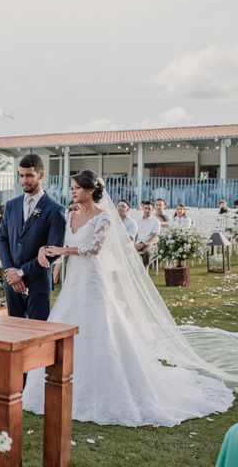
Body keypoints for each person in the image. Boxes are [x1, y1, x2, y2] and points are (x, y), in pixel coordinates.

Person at [24, 170, 235, 427]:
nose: (73, 192)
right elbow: (61, 243)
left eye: (76, 188)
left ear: (90, 190)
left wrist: (64, 250)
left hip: (92, 281)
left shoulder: (104, 219)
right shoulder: (70, 215)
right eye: (72, 188)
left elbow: (93, 249)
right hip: (73, 284)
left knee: (99, 330)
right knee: (63, 327)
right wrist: (48, 252)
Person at [0, 154, 65, 321]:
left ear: (41, 175)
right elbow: (2, 239)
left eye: (29, 175)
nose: (24, 180)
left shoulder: (55, 210)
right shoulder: (11, 205)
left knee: (37, 336)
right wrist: (11, 272)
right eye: (21, 175)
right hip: (12, 282)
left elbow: (54, 251)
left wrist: (22, 272)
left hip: (38, 283)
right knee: (13, 332)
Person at [135, 201, 161, 267]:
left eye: (149, 209)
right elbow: (136, 234)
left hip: (149, 243)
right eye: (145, 208)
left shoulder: (156, 221)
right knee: (126, 249)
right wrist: (134, 244)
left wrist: (143, 244)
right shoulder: (138, 220)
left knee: (147, 252)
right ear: (142, 209)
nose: (147, 210)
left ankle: (143, 270)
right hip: (138, 242)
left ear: (152, 210)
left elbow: (155, 236)